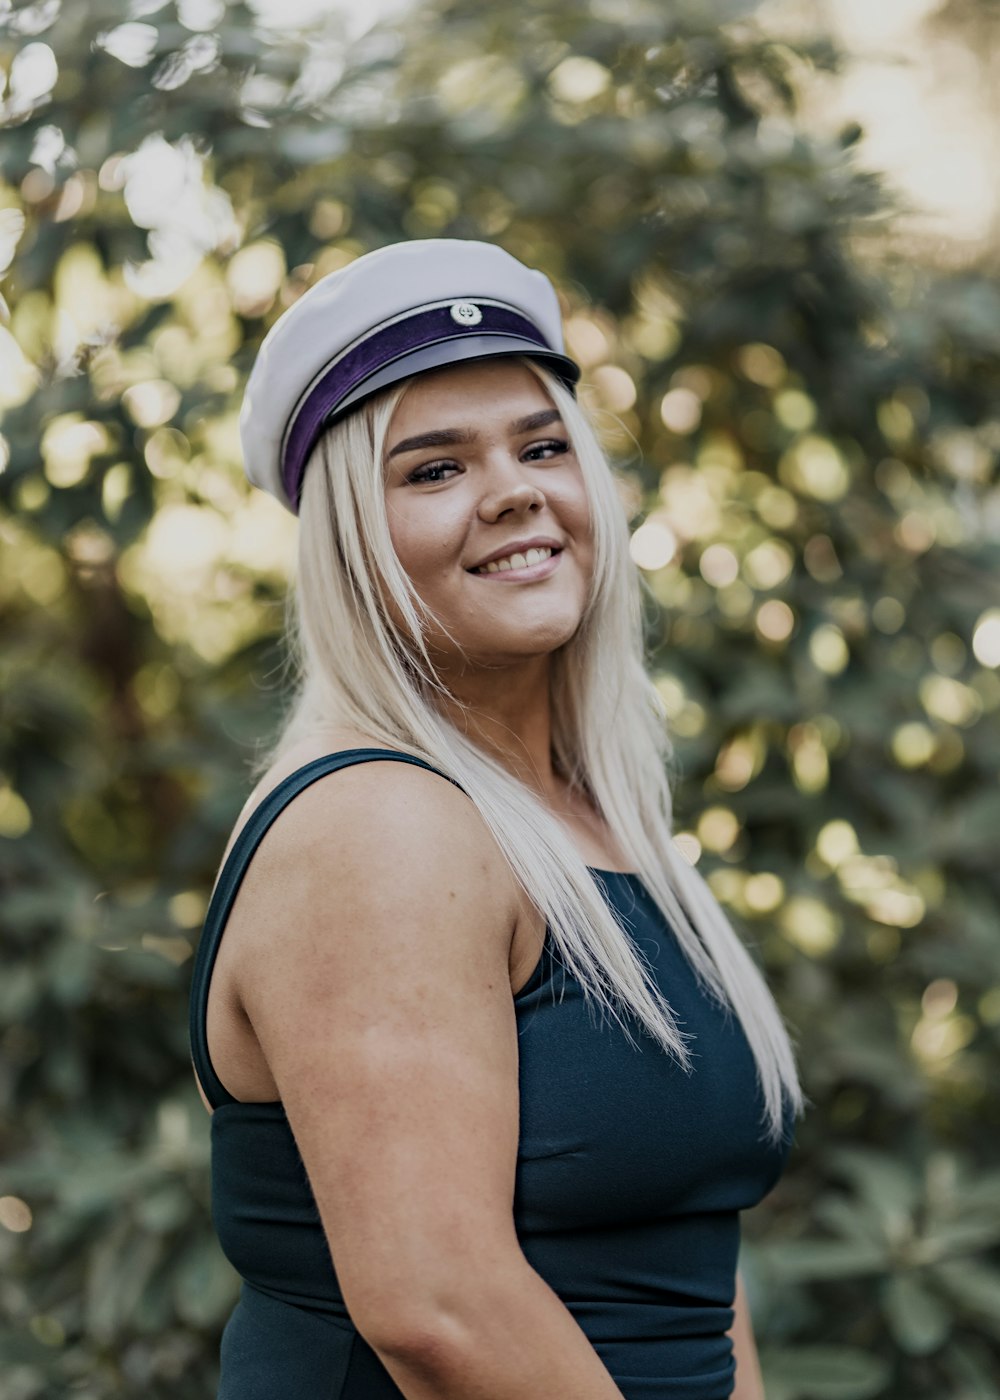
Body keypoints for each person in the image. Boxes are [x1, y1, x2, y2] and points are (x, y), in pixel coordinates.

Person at [188, 237, 807, 1400]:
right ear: (351, 546)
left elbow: (693, 1271)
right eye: (432, 469)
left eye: (541, 444)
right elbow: (439, 1310)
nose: (514, 488)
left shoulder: (585, 815)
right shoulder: (376, 824)